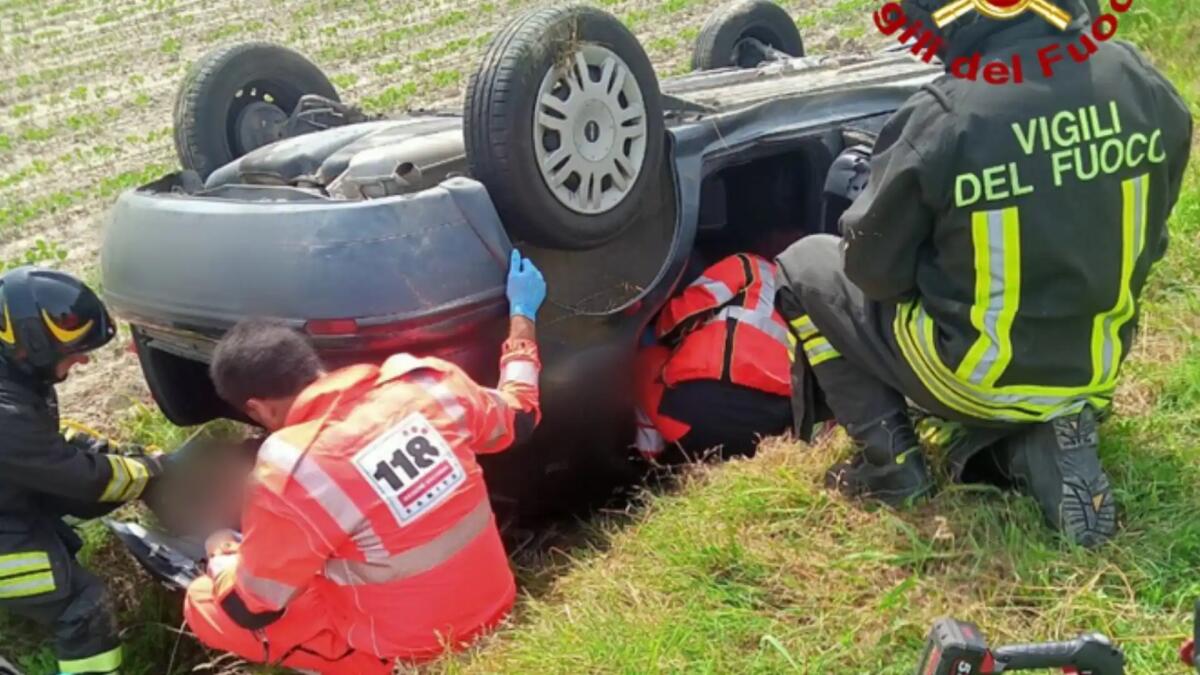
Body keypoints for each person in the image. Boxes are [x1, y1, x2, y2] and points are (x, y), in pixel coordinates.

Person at [774, 0, 1192, 547]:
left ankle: (890, 465)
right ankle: (1034, 442)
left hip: (976, 376)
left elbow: (872, 274)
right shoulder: (1137, 77)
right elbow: (1154, 232)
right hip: (1092, 368)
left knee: (805, 265)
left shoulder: (947, 114)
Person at [183, 249, 547, 674]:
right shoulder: (427, 385)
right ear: (312, 364)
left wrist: (222, 555)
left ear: (257, 408)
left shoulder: (292, 469)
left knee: (203, 603)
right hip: (497, 601)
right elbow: (521, 414)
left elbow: (251, 607)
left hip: (413, 651)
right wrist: (522, 313)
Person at [0, 267, 164, 675]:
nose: (85, 357)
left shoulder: (14, 377)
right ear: (32, 342)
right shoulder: (5, 413)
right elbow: (82, 478)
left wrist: (115, 454)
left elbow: (46, 445)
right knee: (85, 603)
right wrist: (154, 469)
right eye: (73, 348)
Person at [634, 252, 792, 463]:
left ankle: (650, 459)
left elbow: (678, 318)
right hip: (768, 439)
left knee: (646, 361)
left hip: (695, 424)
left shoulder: (750, 266)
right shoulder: (809, 301)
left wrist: (658, 330)